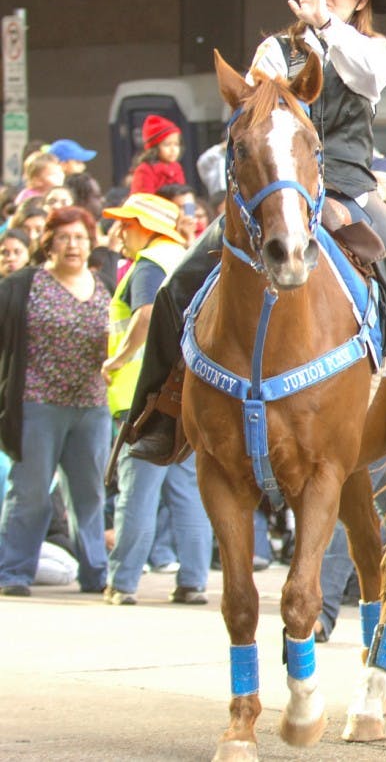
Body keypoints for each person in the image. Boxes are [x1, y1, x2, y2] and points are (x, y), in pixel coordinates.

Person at [122, 0, 386, 470]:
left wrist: (326, 27)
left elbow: (369, 76)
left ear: (361, 1)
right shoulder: (274, 51)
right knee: (178, 287)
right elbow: (261, 114)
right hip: (277, 193)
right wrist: (307, 36)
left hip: (352, 191)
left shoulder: (373, 51)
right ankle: (158, 410)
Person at [97, 194, 211, 606]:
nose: (120, 232)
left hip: (143, 397)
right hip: (191, 393)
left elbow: (144, 316)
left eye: (127, 224)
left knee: (138, 492)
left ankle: (122, 582)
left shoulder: (149, 265)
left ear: (146, 227)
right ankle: (194, 581)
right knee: (188, 491)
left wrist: (117, 358)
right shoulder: (191, 258)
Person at [0, 207, 112, 597]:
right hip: (37, 404)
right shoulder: (23, 285)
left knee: (90, 495)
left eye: (80, 237)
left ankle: (96, 572)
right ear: (48, 242)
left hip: (91, 407)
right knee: (29, 491)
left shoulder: (105, 286)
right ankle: (13, 572)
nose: (73, 245)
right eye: (64, 237)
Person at [129, 115, 187, 195]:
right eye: (167, 145)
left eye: (176, 144)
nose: (173, 150)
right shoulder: (145, 170)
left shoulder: (176, 167)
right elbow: (144, 199)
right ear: (154, 148)